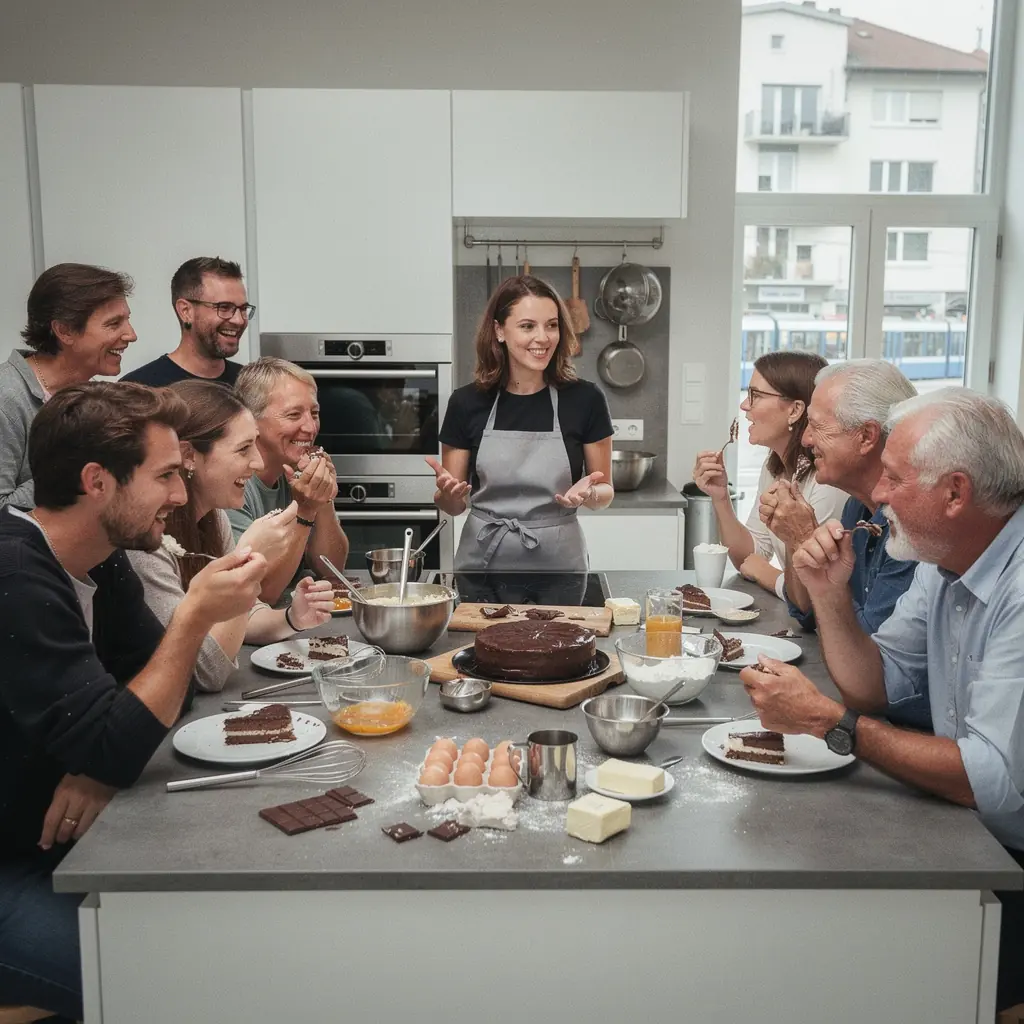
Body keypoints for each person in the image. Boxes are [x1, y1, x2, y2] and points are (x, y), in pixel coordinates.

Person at [738, 387, 1024, 1014]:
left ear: (955, 493)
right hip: (969, 829)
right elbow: (876, 683)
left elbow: (989, 780)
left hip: (1007, 858)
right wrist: (827, 590)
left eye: (894, 478)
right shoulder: (945, 562)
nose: (881, 493)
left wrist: (830, 723)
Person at [0, 381, 266, 1021]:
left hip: (68, 842)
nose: (178, 495)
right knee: (171, 989)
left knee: (238, 942)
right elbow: (122, 729)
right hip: (14, 864)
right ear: (97, 481)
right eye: (166, 475)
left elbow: (162, 694)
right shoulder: (15, 575)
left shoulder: (103, 555)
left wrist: (100, 767)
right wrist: (193, 618)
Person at [127, 381, 336, 692]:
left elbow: (242, 615)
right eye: (243, 449)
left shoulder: (214, 518)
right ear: (189, 456)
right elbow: (207, 671)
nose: (258, 462)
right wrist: (247, 559)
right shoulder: (145, 541)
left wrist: (291, 618)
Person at [431, 275, 613, 595]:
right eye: (528, 326)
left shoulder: (586, 400)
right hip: (482, 566)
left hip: (560, 568)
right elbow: (453, 506)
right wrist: (448, 495)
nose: (542, 337)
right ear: (499, 331)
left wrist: (590, 495)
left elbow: (605, 490)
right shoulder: (466, 403)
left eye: (552, 325)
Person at [760, 359, 918, 634]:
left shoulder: (909, 526)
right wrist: (794, 538)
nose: (806, 439)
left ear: (866, 436)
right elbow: (809, 611)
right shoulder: (857, 506)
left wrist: (804, 538)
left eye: (816, 426)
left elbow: (866, 646)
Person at [691, 351, 847, 599]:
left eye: (756, 395)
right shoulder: (774, 467)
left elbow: (813, 592)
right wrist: (720, 497)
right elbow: (750, 556)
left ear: (795, 410)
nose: (744, 405)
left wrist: (766, 574)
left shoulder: (827, 482)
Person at [0, 262, 137, 507]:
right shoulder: (6, 399)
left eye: (127, 320)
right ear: (64, 331)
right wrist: (76, 458)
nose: (131, 335)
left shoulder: (96, 397)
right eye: (114, 323)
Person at [231, 357, 350, 605]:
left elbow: (332, 569)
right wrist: (305, 511)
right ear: (251, 420)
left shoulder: (298, 470)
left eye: (314, 413)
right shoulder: (233, 482)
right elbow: (261, 594)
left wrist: (322, 499)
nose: (311, 427)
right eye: (294, 414)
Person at [121, 257, 251, 388]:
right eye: (224, 307)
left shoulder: (250, 385)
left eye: (243, 309)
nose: (239, 320)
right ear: (186, 311)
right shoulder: (140, 389)